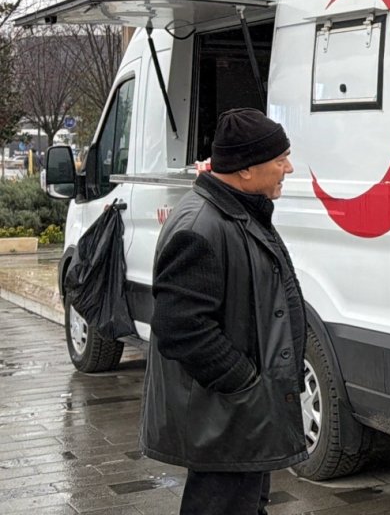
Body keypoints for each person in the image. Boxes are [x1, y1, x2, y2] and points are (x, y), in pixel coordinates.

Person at [140, 108, 306, 515]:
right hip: (228, 416)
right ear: (247, 170)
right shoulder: (202, 226)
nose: (289, 167)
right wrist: (245, 386)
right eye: (280, 158)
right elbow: (181, 328)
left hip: (241, 416)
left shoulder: (237, 210)